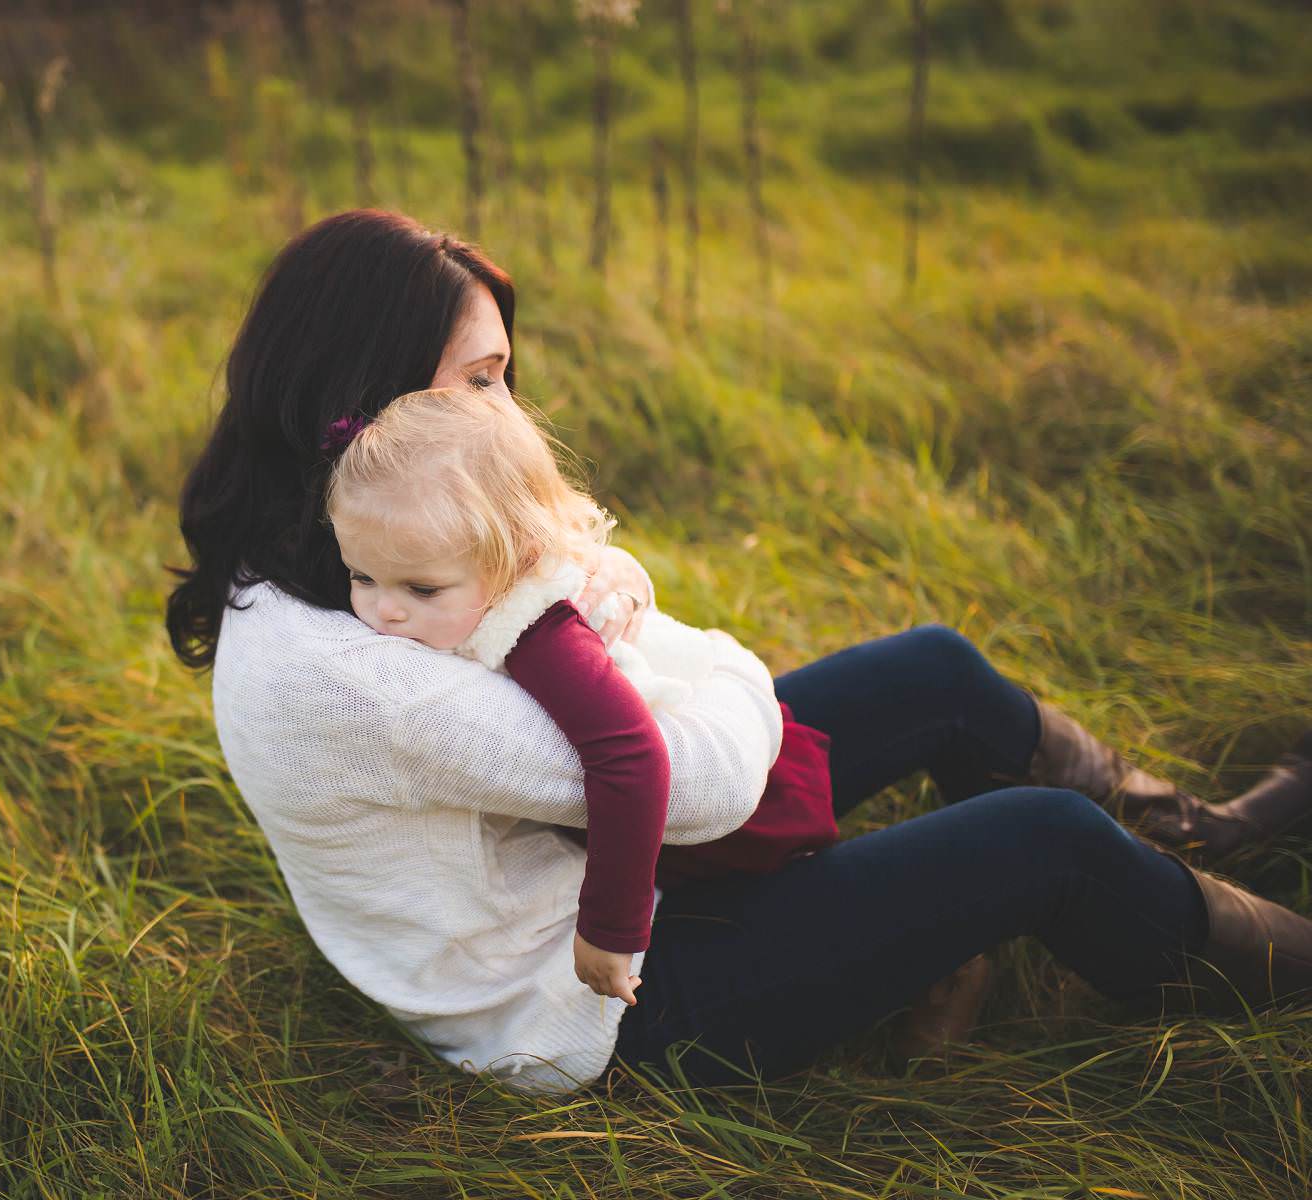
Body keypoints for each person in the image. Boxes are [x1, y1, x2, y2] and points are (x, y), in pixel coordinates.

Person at [168, 208, 1312, 1093]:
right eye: (478, 384)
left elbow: (635, 661)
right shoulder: (356, 664)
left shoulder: (370, 537)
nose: (507, 417)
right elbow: (695, 785)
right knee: (1046, 837)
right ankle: (1226, 954)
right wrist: (721, 673)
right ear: (364, 397)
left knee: (935, 670)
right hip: (596, 1008)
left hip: (610, 879)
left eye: (502, 378)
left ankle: (1170, 851)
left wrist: (666, 648)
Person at [322, 385, 840, 1010]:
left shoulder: (539, 636)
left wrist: (610, 927)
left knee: (773, 900)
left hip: (733, 819)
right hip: (661, 821)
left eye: (423, 589)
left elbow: (631, 758)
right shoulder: (451, 596)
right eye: (362, 576)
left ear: (510, 558)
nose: (385, 609)